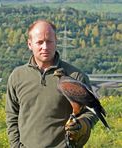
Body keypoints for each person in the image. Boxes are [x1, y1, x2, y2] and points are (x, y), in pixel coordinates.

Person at [6, 19, 98, 148]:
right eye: (39, 42)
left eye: (49, 41)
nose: (45, 47)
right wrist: (16, 146)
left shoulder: (74, 76)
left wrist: (82, 124)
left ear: (56, 42)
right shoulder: (18, 76)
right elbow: (12, 115)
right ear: (29, 44)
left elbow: (92, 111)